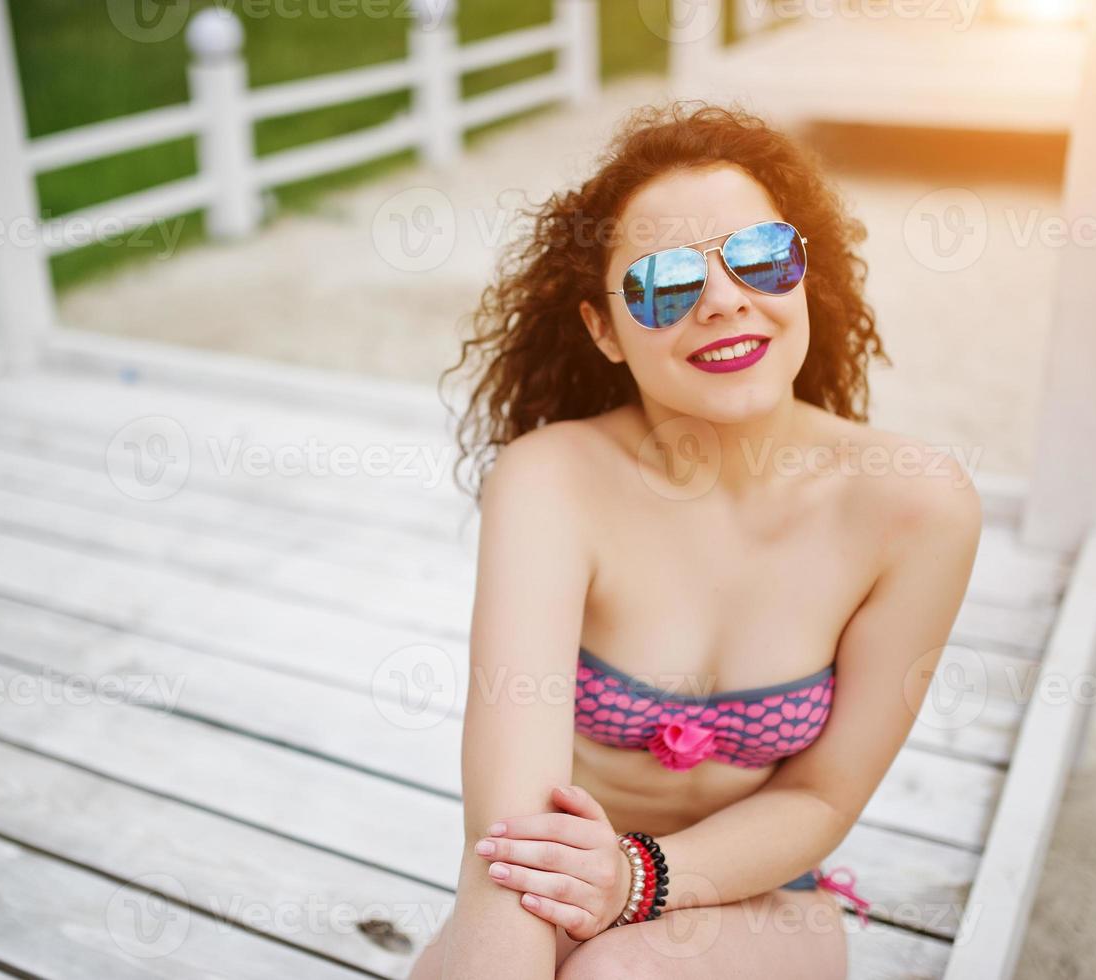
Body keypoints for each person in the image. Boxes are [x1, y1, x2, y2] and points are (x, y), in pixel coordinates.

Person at [408, 99, 981, 979]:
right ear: (602, 327)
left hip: (759, 898)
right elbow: (513, 830)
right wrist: (568, 900)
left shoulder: (914, 508)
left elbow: (822, 797)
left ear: (802, 275)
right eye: (664, 284)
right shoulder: (548, 482)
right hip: (551, 870)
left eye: (759, 259)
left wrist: (635, 881)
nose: (723, 302)